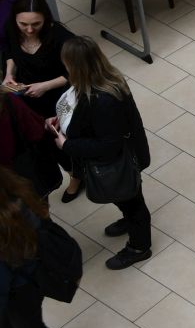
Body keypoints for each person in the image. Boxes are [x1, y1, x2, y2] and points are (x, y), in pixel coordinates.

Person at [0, 166, 127, 328]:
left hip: (20, 287)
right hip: (24, 278)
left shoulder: (7, 222)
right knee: (8, 326)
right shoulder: (16, 193)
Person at [52, 38, 152, 269]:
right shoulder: (101, 80)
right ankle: (130, 220)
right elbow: (84, 118)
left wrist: (67, 145)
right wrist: (63, 121)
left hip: (119, 163)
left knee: (132, 202)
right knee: (128, 199)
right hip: (123, 157)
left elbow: (108, 145)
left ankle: (139, 247)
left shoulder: (103, 100)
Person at [2, 0, 72, 124]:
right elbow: (9, 50)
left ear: (46, 19)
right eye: (23, 24)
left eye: (36, 24)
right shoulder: (11, 27)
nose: (29, 30)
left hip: (57, 95)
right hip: (26, 91)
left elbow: (78, 73)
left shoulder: (62, 38)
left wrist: (45, 86)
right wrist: (9, 73)